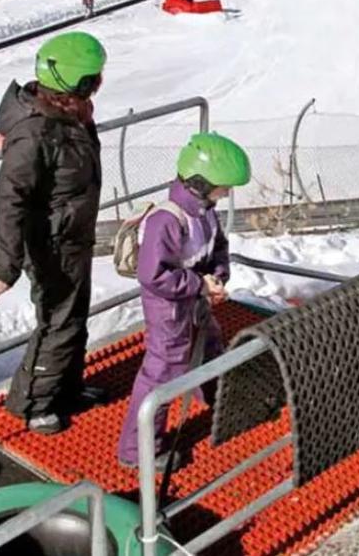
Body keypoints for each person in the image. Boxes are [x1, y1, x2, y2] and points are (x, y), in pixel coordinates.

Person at [0, 32, 106, 435]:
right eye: (93, 78)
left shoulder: (71, 115)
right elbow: (10, 199)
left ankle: (65, 389)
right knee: (57, 322)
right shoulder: (35, 133)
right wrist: (6, 264)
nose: (98, 85)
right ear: (73, 82)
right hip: (51, 246)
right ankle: (33, 402)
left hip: (73, 236)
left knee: (73, 318)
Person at [116, 133, 251, 468]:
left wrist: (217, 273)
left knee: (208, 345)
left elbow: (216, 245)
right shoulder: (167, 220)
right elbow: (153, 275)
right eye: (223, 186)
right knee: (162, 372)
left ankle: (218, 401)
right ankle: (139, 452)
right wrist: (198, 285)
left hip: (193, 294)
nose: (227, 193)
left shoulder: (204, 210)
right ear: (201, 182)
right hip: (169, 306)